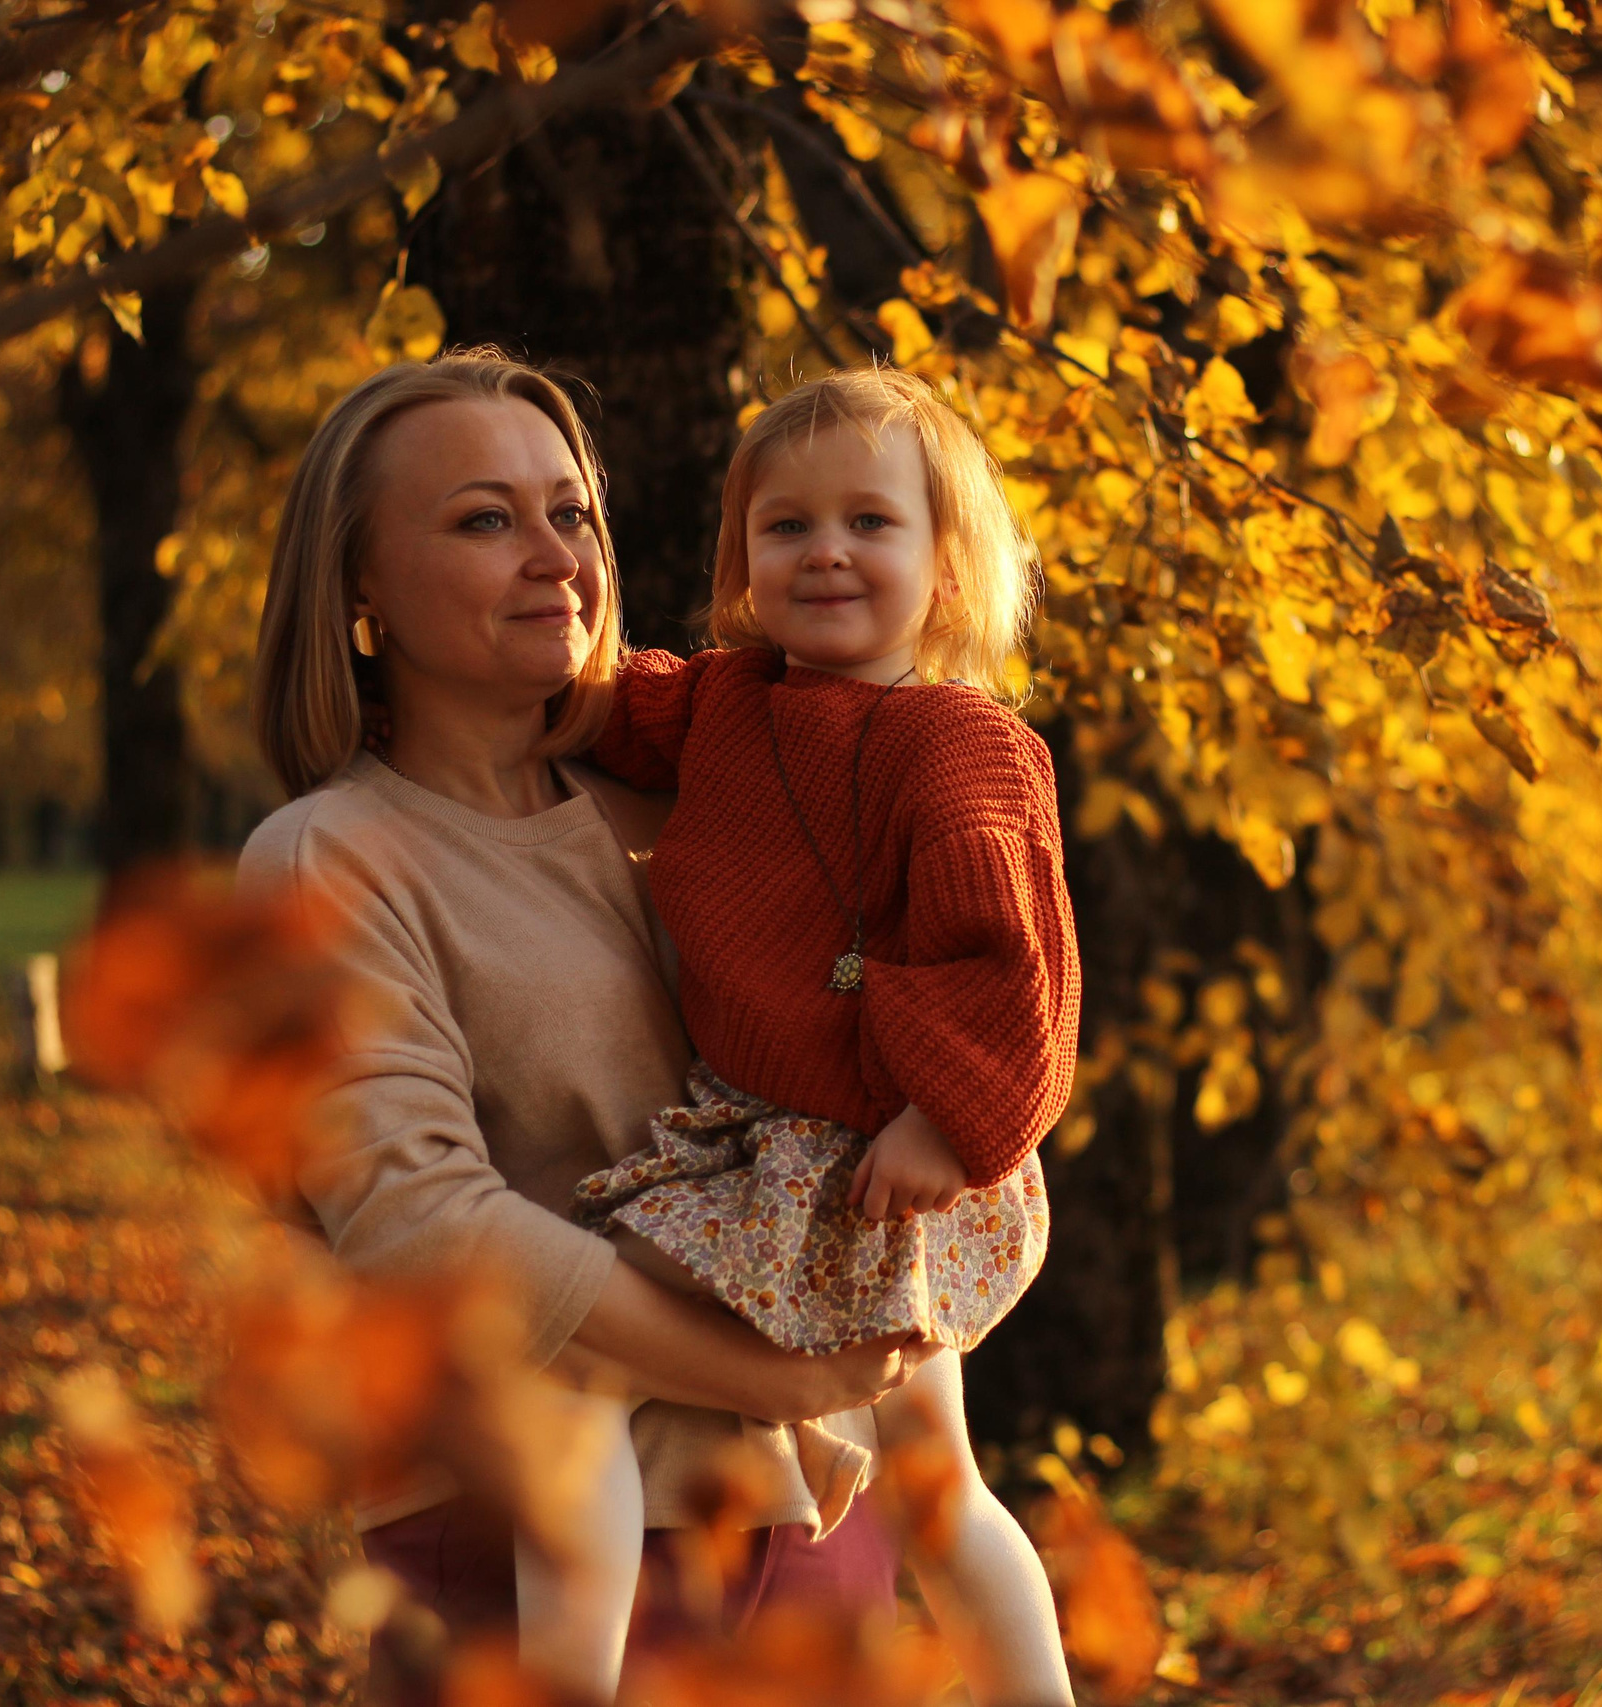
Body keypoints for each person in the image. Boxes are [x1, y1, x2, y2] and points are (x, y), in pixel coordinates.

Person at [238, 351, 930, 1701]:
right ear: (359, 587)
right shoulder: (330, 859)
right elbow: (427, 1229)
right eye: (486, 519)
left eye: (573, 515)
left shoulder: (695, 815)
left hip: (814, 1520)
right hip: (534, 1551)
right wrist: (768, 1373)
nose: (556, 557)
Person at [537, 368, 1080, 1707]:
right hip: (778, 1145)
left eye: (870, 524)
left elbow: (1014, 968)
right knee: (924, 1471)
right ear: (740, 566)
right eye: (784, 528)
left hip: (892, 1157)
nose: (825, 549)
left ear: (948, 572)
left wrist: (946, 1126)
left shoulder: (959, 745)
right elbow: (600, 701)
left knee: (590, 1367)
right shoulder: (728, 701)